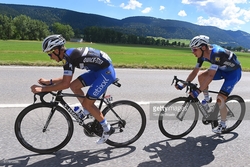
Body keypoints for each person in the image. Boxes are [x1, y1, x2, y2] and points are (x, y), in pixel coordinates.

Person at [30, 34, 116, 144]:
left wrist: (43, 89)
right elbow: (67, 79)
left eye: (49, 54)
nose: (50, 57)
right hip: (98, 71)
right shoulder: (68, 55)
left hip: (106, 73)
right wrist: (49, 82)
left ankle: (107, 128)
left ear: (56, 50)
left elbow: (65, 83)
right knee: (74, 86)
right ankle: (87, 110)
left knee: (88, 103)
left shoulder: (68, 57)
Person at [176, 35, 242, 134]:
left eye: (194, 49)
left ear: (203, 48)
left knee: (220, 99)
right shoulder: (201, 55)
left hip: (233, 73)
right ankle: (207, 99)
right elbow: (195, 72)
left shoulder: (216, 53)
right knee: (201, 76)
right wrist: (184, 85)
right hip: (222, 69)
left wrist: (198, 91)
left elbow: (211, 76)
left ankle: (223, 125)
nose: (192, 52)